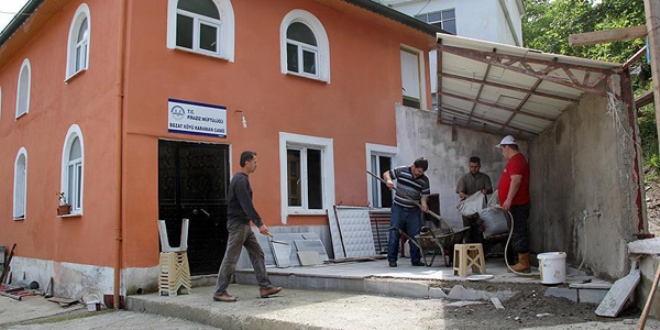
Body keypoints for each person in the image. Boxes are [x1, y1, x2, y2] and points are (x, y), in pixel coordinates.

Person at [213, 151, 282, 302]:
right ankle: (220, 291)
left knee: (257, 253)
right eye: (255, 161)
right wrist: (260, 224)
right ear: (247, 163)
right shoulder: (240, 180)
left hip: (244, 225)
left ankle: (265, 287)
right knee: (231, 258)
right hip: (238, 225)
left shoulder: (242, 179)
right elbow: (246, 205)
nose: (256, 164)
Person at [383, 157, 430, 267]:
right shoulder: (402, 170)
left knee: (415, 236)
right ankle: (392, 260)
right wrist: (389, 180)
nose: (419, 174)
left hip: (413, 210)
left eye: (422, 172)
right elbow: (386, 174)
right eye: (418, 171)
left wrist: (424, 204)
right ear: (414, 166)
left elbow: (424, 195)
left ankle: (416, 260)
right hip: (398, 208)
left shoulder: (425, 180)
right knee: (394, 233)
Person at [497, 135, 531, 273]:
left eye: (502, 149)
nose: (502, 152)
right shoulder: (514, 161)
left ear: (507, 147)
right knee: (516, 231)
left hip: (517, 204)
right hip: (514, 204)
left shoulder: (516, 160)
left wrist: (509, 199)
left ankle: (524, 263)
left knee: (518, 231)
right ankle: (521, 261)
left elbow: (516, 180)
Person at [456, 156, 492, 243]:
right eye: (471, 167)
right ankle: (469, 254)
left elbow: (490, 190)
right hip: (467, 209)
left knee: (480, 232)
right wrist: (465, 196)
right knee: (468, 232)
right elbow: (460, 192)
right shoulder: (464, 178)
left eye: (475, 167)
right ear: (469, 166)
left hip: (480, 210)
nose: (473, 169)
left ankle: (481, 254)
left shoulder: (485, 178)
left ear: (479, 166)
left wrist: (485, 191)